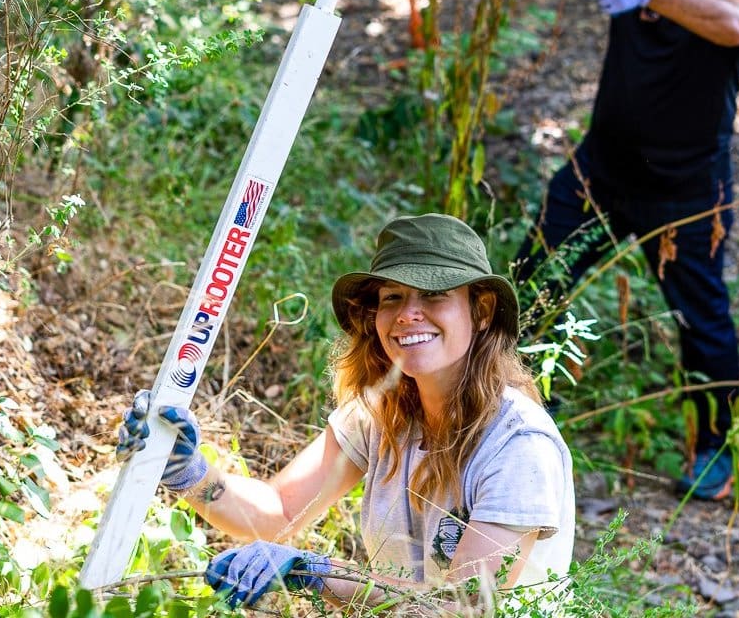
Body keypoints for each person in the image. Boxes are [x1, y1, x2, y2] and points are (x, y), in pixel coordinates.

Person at [483, 0, 739, 501]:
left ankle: (714, 450)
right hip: (598, 171)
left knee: (701, 324)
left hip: (686, 189)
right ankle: (494, 411)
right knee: (528, 286)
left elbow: (736, 24)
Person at [117, 213, 575, 612]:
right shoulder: (383, 414)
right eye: (392, 297)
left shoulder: (518, 446)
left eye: (433, 296)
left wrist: (316, 572)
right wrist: (187, 472)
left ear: (482, 311)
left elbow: (464, 610)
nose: (407, 315)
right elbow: (278, 512)